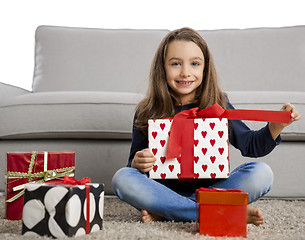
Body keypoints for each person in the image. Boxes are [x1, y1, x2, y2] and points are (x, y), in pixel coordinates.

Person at [112, 27, 301, 226]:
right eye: (175, 63)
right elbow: (133, 166)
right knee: (122, 178)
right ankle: (220, 212)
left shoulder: (217, 104)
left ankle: (171, 212)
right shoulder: (148, 110)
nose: (185, 72)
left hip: (213, 192)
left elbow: (250, 145)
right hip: (163, 192)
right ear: (163, 67)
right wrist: (137, 163)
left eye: (194, 64)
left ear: (205, 68)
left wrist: (276, 126)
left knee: (262, 173)